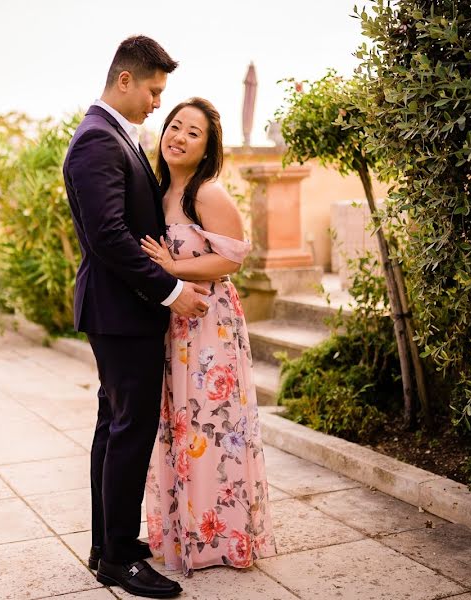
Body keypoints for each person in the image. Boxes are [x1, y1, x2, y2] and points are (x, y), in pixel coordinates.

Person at [63, 36, 211, 599]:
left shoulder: (114, 136)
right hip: (121, 312)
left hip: (121, 311)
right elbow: (109, 239)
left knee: (114, 426)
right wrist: (173, 291)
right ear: (125, 80)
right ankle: (119, 557)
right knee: (130, 430)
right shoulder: (97, 141)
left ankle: (108, 544)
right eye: (153, 91)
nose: (157, 103)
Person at [140, 97, 278, 576]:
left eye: (192, 132)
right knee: (182, 428)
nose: (178, 136)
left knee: (213, 428)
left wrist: (174, 268)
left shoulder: (207, 193)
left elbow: (233, 259)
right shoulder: (156, 191)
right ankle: (187, 532)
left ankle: (221, 537)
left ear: (207, 148)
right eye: (174, 126)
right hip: (173, 327)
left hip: (209, 328)